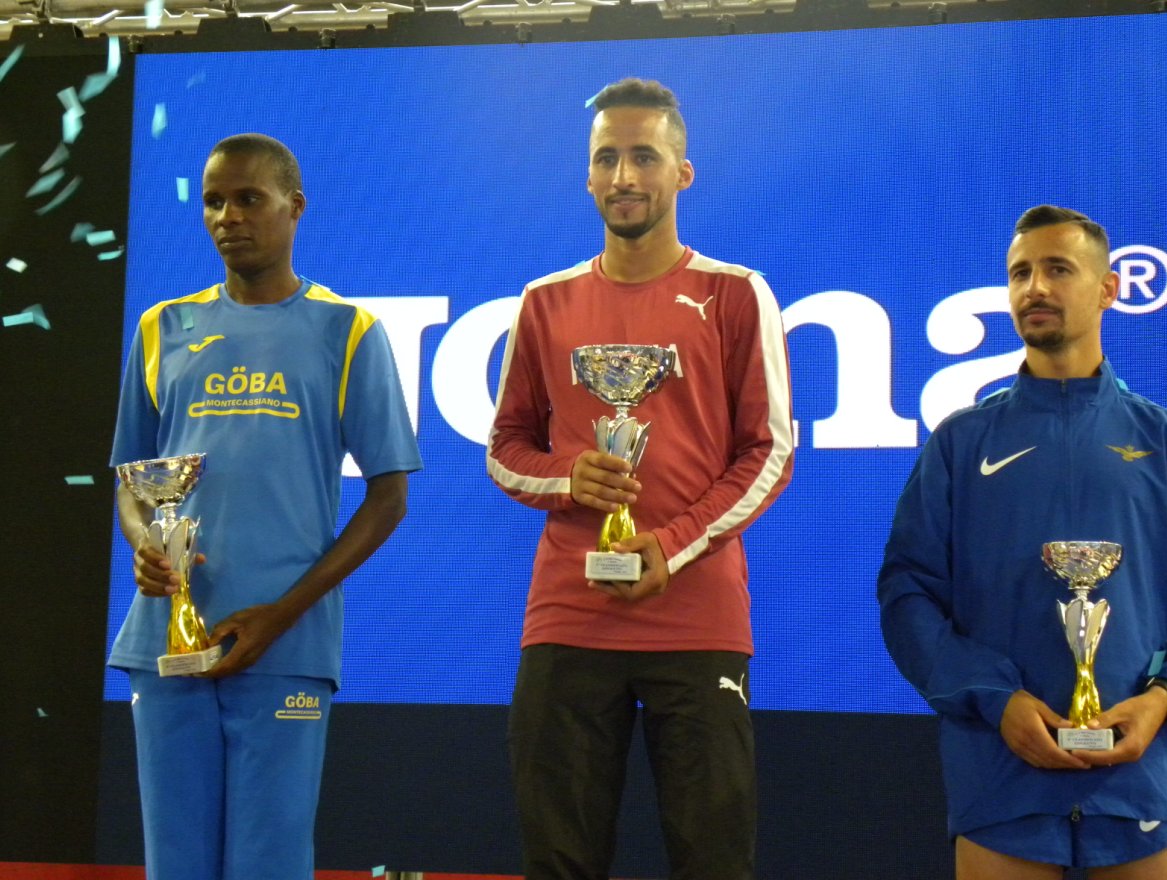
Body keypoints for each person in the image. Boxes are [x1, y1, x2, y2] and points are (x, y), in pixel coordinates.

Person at [486, 78, 794, 879]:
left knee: (713, 863)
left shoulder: (735, 294)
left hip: (696, 620)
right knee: (558, 863)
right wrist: (568, 479)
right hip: (567, 618)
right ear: (587, 176)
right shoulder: (544, 302)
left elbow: (768, 453)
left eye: (644, 157)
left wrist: (671, 545)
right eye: (607, 159)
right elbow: (505, 447)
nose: (624, 176)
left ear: (681, 172)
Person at [110, 133, 421, 880]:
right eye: (214, 201)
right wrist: (146, 544)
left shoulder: (347, 331)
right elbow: (132, 480)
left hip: (285, 645)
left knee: (268, 865)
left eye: (249, 198)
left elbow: (389, 497)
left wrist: (283, 614)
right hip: (166, 643)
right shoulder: (161, 328)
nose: (229, 217)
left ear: (295, 206)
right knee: (175, 866)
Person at [878, 205, 1167, 879]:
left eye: (1058, 269)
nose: (1034, 288)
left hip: (1142, 779)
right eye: (1020, 273)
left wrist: (1163, 699)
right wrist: (993, 698)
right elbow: (907, 595)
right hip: (1001, 776)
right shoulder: (960, 444)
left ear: (1108, 288)